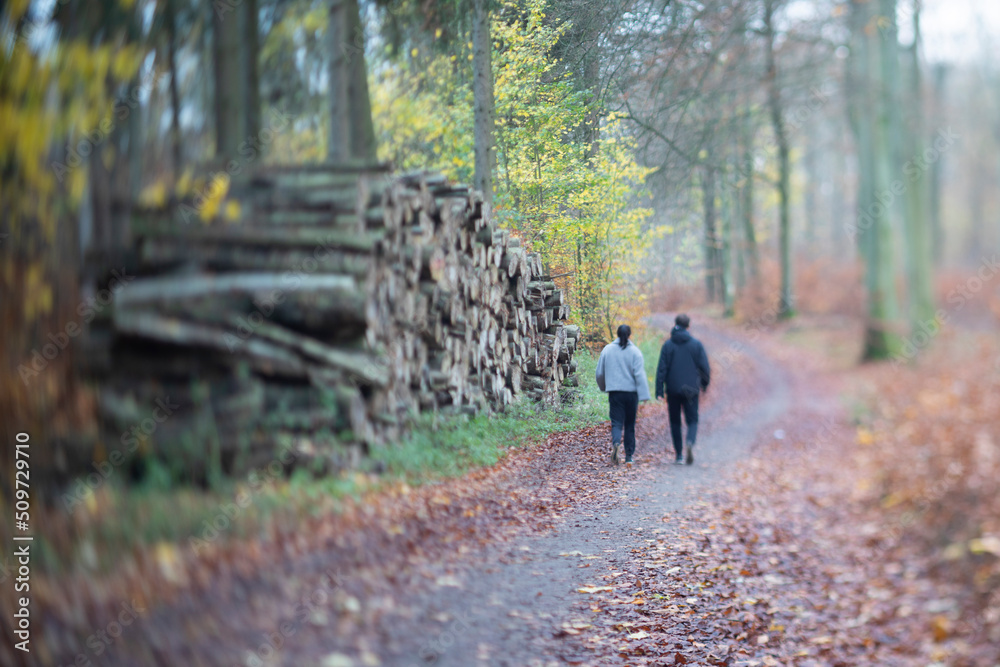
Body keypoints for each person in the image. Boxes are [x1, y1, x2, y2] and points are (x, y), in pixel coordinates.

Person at [655, 314, 710, 465]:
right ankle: (690, 442)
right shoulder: (696, 344)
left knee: (675, 421)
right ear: (688, 326)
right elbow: (704, 367)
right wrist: (704, 384)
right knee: (692, 420)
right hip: (691, 389)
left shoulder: (668, 345)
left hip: (673, 389)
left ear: (675, 325)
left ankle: (679, 455)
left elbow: (662, 369)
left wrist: (659, 389)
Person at [595, 324, 651, 465]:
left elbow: (600, 373)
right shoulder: (635, 352)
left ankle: (616, 444)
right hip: (631, 394)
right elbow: (639, 375)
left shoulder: (607, 350)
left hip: (615, 392)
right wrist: (644, 396)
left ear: (617, 334)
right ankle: (629, 456)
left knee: (616, 422)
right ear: (629, 334)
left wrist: (604, 387)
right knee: (630, 424)